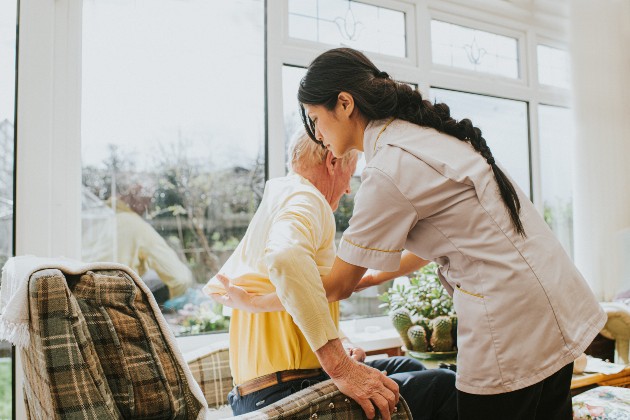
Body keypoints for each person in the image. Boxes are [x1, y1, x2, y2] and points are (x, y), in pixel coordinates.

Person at [215, 47, 607, 420]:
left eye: (315, 118)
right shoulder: (420, 137)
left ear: (345, 104)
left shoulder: (387, 168)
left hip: (511, 321)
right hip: (552, 301)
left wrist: (254, 302)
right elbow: (426, 251)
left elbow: (335, 285)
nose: (318, 134)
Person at [206, 132, 457, 419]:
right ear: (333, 161)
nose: (349, 188)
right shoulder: (307, 199)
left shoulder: (282, 196)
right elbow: (285, 257)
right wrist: (339, 365)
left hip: (259, 393)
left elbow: (335, 284)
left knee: (410, 368)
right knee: (445, 384)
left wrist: (341, 340)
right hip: (284, 394)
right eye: (351, 174)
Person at [82, 195, 194, 302]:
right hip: (110, 303)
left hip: (76, 301)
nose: (149, 204)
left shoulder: (91, 218)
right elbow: (181, 279)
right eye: (149, 198)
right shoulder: (135, 224)